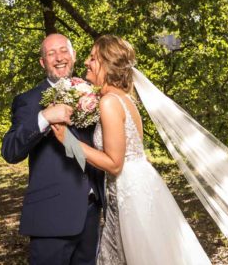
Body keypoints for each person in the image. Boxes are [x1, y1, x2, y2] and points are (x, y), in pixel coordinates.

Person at [50, 35, 210, 265]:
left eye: (93, 58)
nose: (86, 62)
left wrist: (69, 142)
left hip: (130, 194)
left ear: (107, 65)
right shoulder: (124, 98)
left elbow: (115, 164)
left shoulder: (109, 103)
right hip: (136, 186)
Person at [2, 33, 104, 265]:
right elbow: (10, 151)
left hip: (91, 213)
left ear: (74, 56)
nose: (59, 58)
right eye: (51, 53)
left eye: (63, 50)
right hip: (51, 217)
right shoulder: (28, 100)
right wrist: (45, 117)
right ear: (42, 62)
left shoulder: (93, 91)